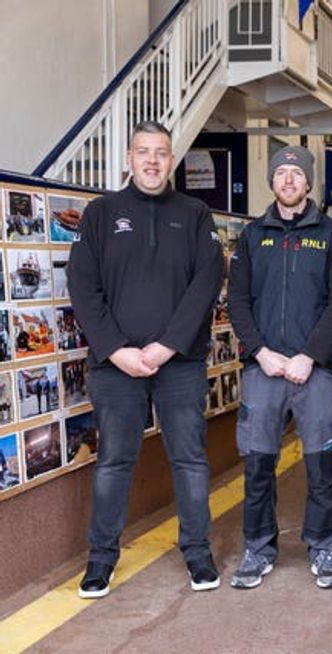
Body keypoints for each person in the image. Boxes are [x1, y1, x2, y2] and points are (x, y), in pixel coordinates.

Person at [67, 120, 225, 598]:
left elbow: (206, 281)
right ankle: (100, 560)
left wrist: (165, 346)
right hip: (115, 367)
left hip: (179, 364)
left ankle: (198, 553)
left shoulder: (195, 214)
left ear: (171, 161)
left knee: (190, 461)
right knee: (115, 461)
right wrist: (116, 349)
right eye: (143, 152)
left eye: (161, 153)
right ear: (128, 160)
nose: (152, 161)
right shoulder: (100, 214)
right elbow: (82, 287)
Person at [226, 145, 332, 590]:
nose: (288, 179)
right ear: (272, 182)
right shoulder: (252, 237)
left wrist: (309, 356)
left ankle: (323, 546)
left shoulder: (331, 235)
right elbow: (237, 301)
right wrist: (261, 352)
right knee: (258, 465)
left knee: (321, 465)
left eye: (296, 173)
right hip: (263, 370)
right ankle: (258, 549)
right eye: (280, 172)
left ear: (308, 182)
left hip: (314, 371)